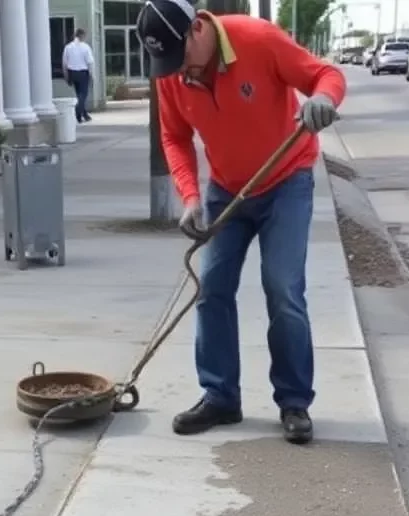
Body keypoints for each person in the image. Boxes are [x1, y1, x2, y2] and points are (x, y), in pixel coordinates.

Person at [135, 1, 346, 444]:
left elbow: (324, 74)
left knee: (282, 286)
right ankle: (220, 396)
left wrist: (324, 99)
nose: (176, 71)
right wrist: (190, 198)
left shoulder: (258, 40)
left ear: (197, 29)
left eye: (179, 56)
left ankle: (294, 401)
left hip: (286, 182)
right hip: (227, 190)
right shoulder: (173, 74)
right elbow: (174, 137)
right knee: (211, 287)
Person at [62, 28, 95, 124]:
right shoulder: (85, 47)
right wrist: (92, 75)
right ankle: (78, 111)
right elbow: (90, 62)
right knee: (83, 94)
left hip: (72, 72)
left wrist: (66, 76)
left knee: (78, 94)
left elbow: (64, 63)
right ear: (82, 36)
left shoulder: (68, 47)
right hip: (83, 72)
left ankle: (84, 115)